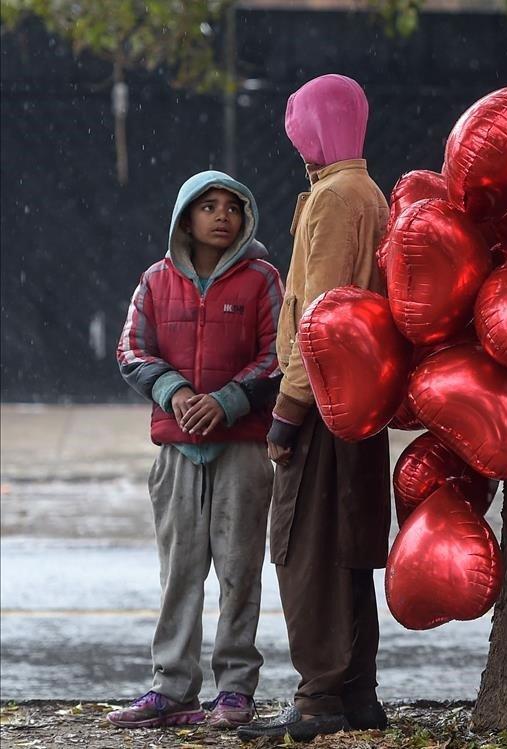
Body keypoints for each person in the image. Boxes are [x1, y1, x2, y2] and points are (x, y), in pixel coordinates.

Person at [237, 74, 392, 743]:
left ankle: (317, 696)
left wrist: (287, 410)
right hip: (362, 402)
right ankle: (357, 691)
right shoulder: (369, 192)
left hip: (325, 401)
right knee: (348, 549)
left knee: (307, 549)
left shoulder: (333, 198)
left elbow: (317, 318)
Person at [109, 171, 282, 730]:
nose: (221, 216)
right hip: (178, 455)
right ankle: (171, 687)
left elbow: (280, 353)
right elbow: (132, 349)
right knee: (179, 572)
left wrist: (229, 400)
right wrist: (176, 391)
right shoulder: (155, 282)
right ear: (185, 217)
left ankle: (234, 690)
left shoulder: (262, 279)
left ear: (246, 218)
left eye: (233, 207)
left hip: (242, 451)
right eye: (208, 206)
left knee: (239, 572)